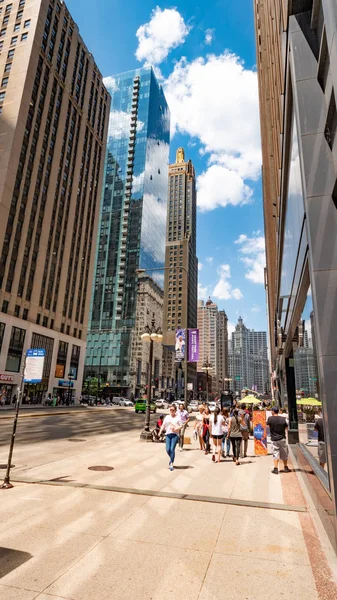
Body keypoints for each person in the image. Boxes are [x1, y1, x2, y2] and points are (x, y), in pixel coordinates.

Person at [267, 406, 290, 474]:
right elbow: (286, 427)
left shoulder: (270, 419)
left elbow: (269, 426)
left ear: (273, 411)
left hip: (274, 439)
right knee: (284, 453)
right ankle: (285, 467)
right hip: (282, 438)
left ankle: (276, 468)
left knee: (275, 453)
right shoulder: (283, 419)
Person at [160, 405, 183, 471]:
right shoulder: (167, 417)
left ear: (175, 411)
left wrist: (175, 429)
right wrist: (160, 431)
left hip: (175, 435)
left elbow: (181, 426)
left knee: (172, 449)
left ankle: (171, 463)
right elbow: (163, 425)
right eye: (170, 410)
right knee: (168, 449)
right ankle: (172, 458)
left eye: (173, 410)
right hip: (168, 435)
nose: (171, 411)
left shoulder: (178, 418)